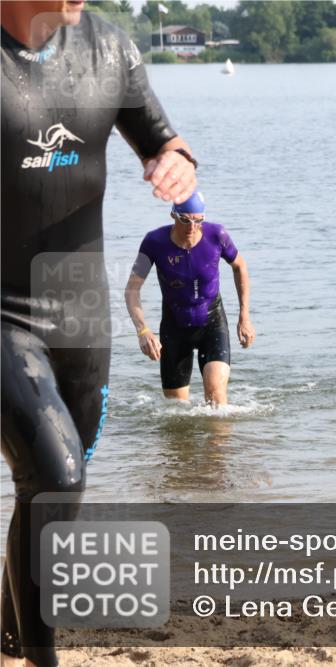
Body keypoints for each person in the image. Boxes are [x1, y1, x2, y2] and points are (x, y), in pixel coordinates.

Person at [1, 2, 197, 665]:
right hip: (1, 312)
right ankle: (40, 656)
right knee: (56, 475)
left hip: (79, 313)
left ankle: (9, 623)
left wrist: (176, 164)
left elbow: (164, 140)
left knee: (60, 476)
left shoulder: (107, 47)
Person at [124, 191, 255, 406]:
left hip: (212, 322)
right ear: (173, 215)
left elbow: (240, 266)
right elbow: (132, 289)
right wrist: (143, 331)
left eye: (198, 220)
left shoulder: (217, 235)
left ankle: (221, 440)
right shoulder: (154, 242)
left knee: (215, 396)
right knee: (176, 410)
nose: (192, 227)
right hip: (174, 327)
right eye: (185, 220)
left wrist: (244, 316)